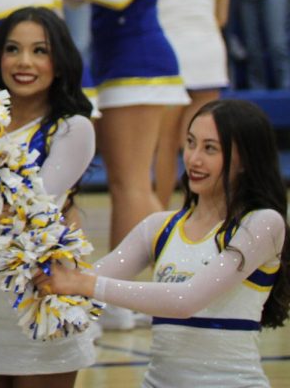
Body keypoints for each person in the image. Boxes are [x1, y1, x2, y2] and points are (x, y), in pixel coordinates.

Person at [37, 99, 290, 388]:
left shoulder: (262, 224)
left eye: (210, 149)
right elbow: (88, 280)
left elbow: (186, 300)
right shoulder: (160, 227)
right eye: (191, 143)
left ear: (245, 159)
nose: (193, 158)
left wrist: (84, 285)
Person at [58, 0, 190, 330]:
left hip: (141, 59)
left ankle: (165, 289)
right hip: (112, 59)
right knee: (121, 183)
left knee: (134, 183)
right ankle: (125, 295)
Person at [0, 7, 96, 387]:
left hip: (39, 298)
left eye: (40, 51)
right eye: (13, 49)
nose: (24, 62)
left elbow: (31, 206)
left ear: (60, 60)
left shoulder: (72, 128)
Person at [155, 0, 230, 205]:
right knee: (206, 140)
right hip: (209, 54)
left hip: (173, 58)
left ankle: (159, 209)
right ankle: (200, 208)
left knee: (167, 141)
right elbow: (221, 17)